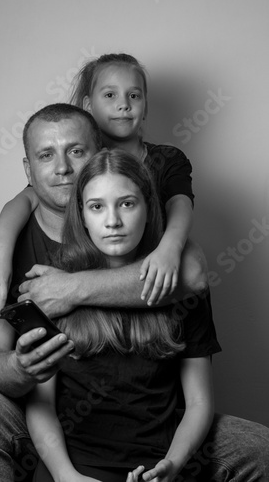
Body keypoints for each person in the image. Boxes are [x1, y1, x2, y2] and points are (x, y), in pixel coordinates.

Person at [0, 104, 204, 482]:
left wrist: (70, 289)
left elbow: (193, 274)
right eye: (45, 155)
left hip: (151, 422)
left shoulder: (129, 227)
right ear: (28, 170)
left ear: (99, 155)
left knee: (253, 446)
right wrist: (20, 367)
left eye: (76, 152)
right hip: (37, 417)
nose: (62, 168)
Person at [25, 149, 269, 482]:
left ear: (148, 207)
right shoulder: (55, 289)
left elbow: (198, 402)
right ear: (82, 215)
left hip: (159, 464)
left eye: (127, 203)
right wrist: (67, 476)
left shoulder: (182, 291)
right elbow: (41, 406)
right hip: (73, 469)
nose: (113, 221)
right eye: (97, 207)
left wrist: (173, 464)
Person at [0, 53, 207, 318]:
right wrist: (0, 251)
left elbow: (180, 205)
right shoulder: (84, 161)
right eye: (110, 95)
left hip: (160, 267)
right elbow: (26, 199)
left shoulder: (166, 159)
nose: (123, 105)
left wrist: (169, 249)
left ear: (146, 104)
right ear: (88, 105)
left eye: (134, 95)